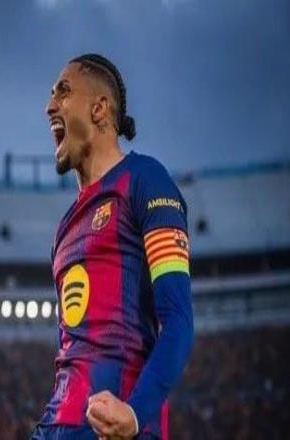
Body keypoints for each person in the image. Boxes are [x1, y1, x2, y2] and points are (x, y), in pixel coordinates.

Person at [31, 54, 194, 440]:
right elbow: (70, 346)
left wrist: (134, 414)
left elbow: (178, 320)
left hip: (114, 426)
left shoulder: (146, 181)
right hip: (56, 425)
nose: (49, 106)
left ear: (99, 108)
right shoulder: (64, 229)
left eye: (63, 92)